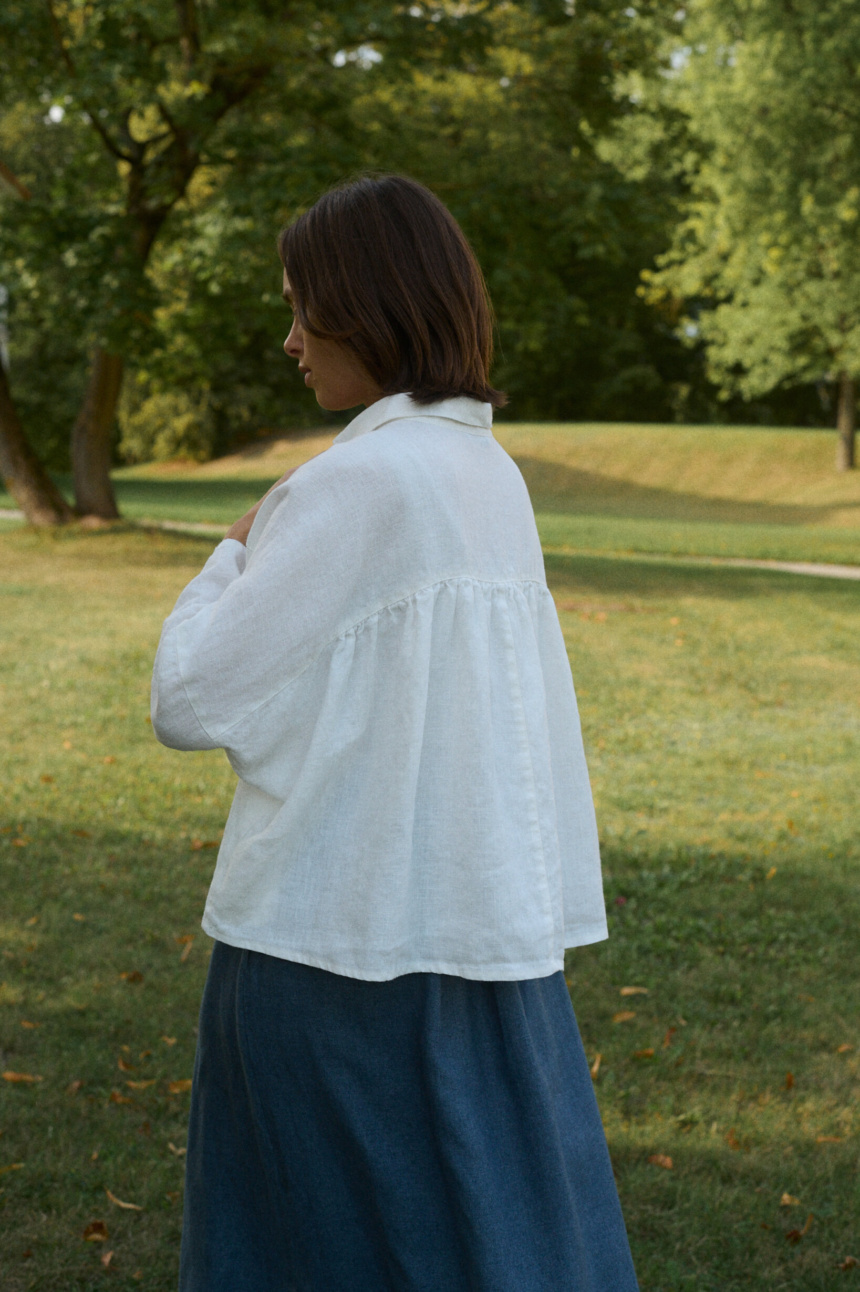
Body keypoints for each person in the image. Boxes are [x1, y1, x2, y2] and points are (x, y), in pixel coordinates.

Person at [151, 174, 639, 1292]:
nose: (288, 339)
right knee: (494, 1231)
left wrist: (231, 547)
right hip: (479, 934)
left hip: (334, 952)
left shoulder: (353, 485)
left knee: (316, 1247)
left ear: (366, 306)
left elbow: (189, 699)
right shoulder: (487, 474)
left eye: (299, 307)